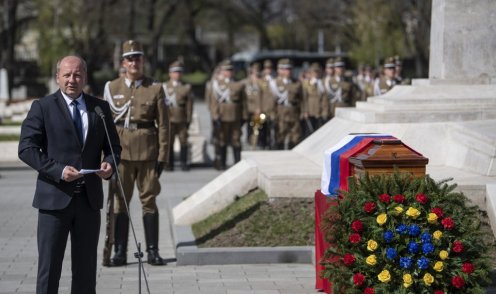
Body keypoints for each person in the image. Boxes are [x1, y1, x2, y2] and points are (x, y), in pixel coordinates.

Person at [18, 55, 121, 294]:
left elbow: (114, 148)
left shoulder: (100, 108)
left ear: (84, 77)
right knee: (49, 269)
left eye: (77, 75)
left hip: (88, 200)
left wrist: (108, 164)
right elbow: (26, 148)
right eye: (67, 75)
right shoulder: (42, 107)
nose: (72, 80)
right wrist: (59, 170)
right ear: (57, 78)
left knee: (85, 271)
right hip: (54, 200)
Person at [103, 40, 169, 266]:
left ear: (143, 61)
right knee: (121, 202)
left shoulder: (156, 88)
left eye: (138, 57)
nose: (134, 62)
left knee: (149, 201)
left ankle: (152, 250)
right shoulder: (112, 88)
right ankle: (120, 251)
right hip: (122, 154)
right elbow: (106, 125)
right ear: (123, 62)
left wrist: (163, 156)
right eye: (130, 58)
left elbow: (164, 125)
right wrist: (106, 156)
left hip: (148, 153)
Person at [208, 59, 246, 169]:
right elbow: (214, 102)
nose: (229, 72)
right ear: (222, 71)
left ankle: (238, 163)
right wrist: (215, 117)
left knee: (236, 140)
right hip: (222, 116)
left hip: (235, 116)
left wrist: (244, 116)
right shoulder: (216, 85)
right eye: (226, 70)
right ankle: (222, 163)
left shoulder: (238, 84)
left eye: (231, 70)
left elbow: (243, 102)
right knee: (222, 140)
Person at [163, 60, 193, 171]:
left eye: (179, 72)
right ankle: (169, 164)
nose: (177, 74)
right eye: (175, 72)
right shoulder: (164, 86)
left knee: (183, 141)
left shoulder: (186, 87)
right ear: (170, 73)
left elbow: (189, 105)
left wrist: (188, 119)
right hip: (169, 119)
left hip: (182, 119)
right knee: (169, 142)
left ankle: (183, 163)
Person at [271, 58, 302, 150]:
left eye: (289, 69)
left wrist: (303, 112)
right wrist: (272, 114)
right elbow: (271, 101)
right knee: (280, 136)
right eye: (285, 69)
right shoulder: (275, 83)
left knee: (295, 138)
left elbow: (302, 99)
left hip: (294, 113)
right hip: (281, 113)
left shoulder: (297, 83)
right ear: (279, 70)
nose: (288, 71)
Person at [301, 62, 328, 137]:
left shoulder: (322, 83)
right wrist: (305, 111)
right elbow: (304, 98)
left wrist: (325, 111)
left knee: (319, 132)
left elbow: (324, 98)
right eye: (314, 72)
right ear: (311, 73)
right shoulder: (307, 83)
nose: (316, 74)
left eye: (317, 72)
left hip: (319, 111)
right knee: (309, 133)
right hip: (310, 111)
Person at [242, 63, 262, 147]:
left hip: (258, 108)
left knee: (257, 125)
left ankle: (257, 141)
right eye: (253, 73)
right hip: (249, 108)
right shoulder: (246, 82)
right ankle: (249, 139)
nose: (255, 75)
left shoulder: (260, 82)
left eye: (257, 73)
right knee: (249, 125)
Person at [258, 59, 276, 149]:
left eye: (270, 68)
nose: (268, 70)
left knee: (272, 127)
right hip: (264, 107)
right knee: (263, 127)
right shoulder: (261, 81)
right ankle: (263, 144)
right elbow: (258, 95)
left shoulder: (275, 79)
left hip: (272, 108)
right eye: (266, 68)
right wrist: (259, 107)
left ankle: (271, 144)